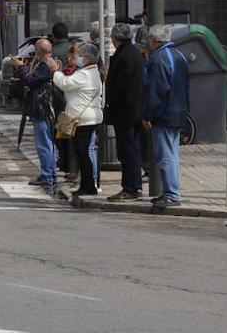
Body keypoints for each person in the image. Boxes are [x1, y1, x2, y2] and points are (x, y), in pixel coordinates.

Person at [142, 24, 189, 208]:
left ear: (153, 40)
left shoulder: (159, 58)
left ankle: (171, 194)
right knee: (172, 153)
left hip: (164, 113)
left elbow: (156, 90)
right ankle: (171, 191)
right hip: (178, 110)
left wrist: (147, 115)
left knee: (165, 155)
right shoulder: (179, 55)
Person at [52, 43, 104, 200]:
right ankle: (88, 184)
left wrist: (55, 71)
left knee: (82, 152)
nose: (77, 58)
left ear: (87, 58)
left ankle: (89, 185)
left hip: (84, 119)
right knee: (83, 151)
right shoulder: (91, 71)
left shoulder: (85, 74)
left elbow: (65, 84)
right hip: (89, 116)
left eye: (79, 55)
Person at [104, 22, 145, 201]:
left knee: (128, 150)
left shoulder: (125, 56)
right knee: (131, 149)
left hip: (126, 112)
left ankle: (131, 187)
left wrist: (111, 103)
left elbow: (121, 86)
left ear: (115, 38)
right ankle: (132, 186)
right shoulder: (134, 53)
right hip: (131, 110)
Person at [23, 38, 60, 194]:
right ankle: (49, 174)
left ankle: (48, 176)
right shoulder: (49, 63)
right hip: (44, 109)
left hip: (42, 109)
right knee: (47, 144)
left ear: (39, 51)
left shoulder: (45, 65)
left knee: (44, 144)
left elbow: (31, 80)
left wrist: (20, 69)